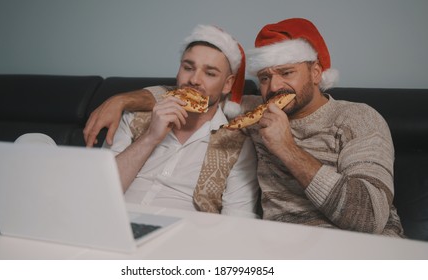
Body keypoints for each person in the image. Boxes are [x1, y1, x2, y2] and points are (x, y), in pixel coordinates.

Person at [83, 18, 405, 237]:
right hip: (276, 249)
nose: (274, 87)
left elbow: (369, 218)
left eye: (286, 72)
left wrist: (287, 150)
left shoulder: (359, 117)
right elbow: (198, 93)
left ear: (317, 71)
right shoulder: (250, 111)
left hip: (358, 249)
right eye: (264, 77)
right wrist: (122, 99)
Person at [107, 24, 259, 218]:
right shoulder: (134, 116)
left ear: (227, 84)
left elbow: (238, 219)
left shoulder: (236, 145)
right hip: (114, 219)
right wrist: (150, 138)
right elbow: (101, 191)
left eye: (210, 73)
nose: (194, 80)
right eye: (188, 67)